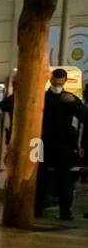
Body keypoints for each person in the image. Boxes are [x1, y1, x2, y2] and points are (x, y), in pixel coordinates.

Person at [37, 68, 88, 220]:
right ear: (50, 80)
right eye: (54, 81)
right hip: (43, 143)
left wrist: (74, 103)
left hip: (64, 146)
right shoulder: (43, 97)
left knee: (65, 180)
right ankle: (37, 207)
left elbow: (84, 117)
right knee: (40, 178)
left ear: (65, 82)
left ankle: (65, 210)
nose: (57, 85)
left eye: (60, 82)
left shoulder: (70, 98)